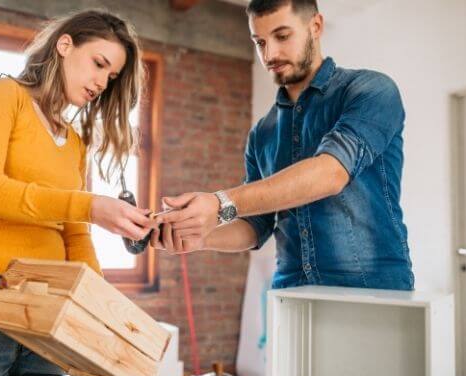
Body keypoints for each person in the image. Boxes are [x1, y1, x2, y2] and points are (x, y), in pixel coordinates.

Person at [0, 10, 157, 376]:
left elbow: (76, 236)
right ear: (65, 45)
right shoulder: (3, 95)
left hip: (48, 304)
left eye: (111, 76)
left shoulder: (76, 143)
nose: (101, 82)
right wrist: (89, 205)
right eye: (99, 64)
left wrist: (102, 311)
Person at [154, 0, 414, 291]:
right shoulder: (262, 133)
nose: (270, 54)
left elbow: (330, 174)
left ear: (315, 26)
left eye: (282, 36)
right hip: (291, 292)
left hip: (371, 290)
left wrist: (218, 202)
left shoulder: (370, 90)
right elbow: (256, 226)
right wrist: (201, 236)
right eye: (260, 42)